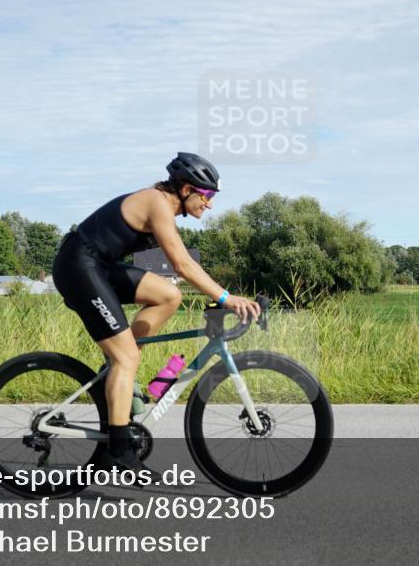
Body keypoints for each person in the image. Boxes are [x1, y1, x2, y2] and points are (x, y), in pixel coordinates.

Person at [51, 152, 261, 472]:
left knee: (169, 296)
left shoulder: (164, 205)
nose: (210, 204)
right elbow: (182, 263)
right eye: (207, 195)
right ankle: (117, 452)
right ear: (187, 189)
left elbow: (179, 270)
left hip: (99, 266)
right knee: (127, 359)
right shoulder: (156, 202)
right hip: (78, 266)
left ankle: (118, 366)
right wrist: (226, 298)